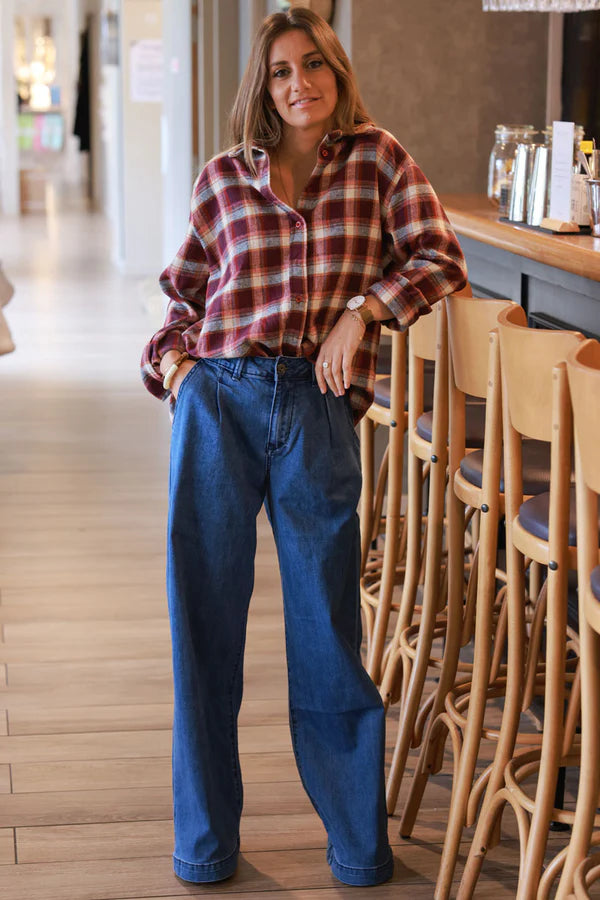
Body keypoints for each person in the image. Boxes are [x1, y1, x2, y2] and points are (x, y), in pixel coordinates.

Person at [141, 7, 467, 887]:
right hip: (220, 403)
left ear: (337, 71)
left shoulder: (378, 159)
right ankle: (205, 845)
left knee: (329, 630)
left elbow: (440, 255)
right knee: (203, 627)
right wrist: (179, 374)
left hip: (318, 411)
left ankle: (359, 849)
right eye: (283, 70)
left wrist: (363, 314)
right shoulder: (222, 179)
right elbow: (180, 295)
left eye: (314, 64)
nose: (300, 83)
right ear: (265, 84)